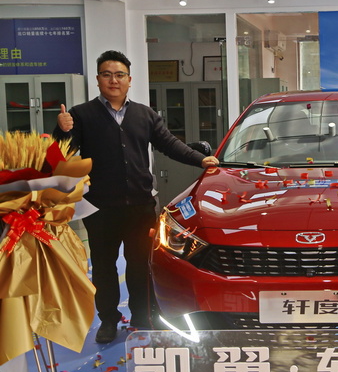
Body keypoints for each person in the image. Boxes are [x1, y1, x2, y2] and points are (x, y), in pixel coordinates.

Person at [53, 50, 219, 343]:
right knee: (103, 267)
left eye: (119, 75)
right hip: (100, 207)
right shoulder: (81, 115)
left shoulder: (145, 114)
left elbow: (170, 144)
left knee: (141, 264)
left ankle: (142, 316)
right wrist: (61, 130)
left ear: (129, 80)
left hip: (140, 206)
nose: (113, 80)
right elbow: (60, 154)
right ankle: (108, 320)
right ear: (98, 80)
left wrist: (200, 160)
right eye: (107, 74)